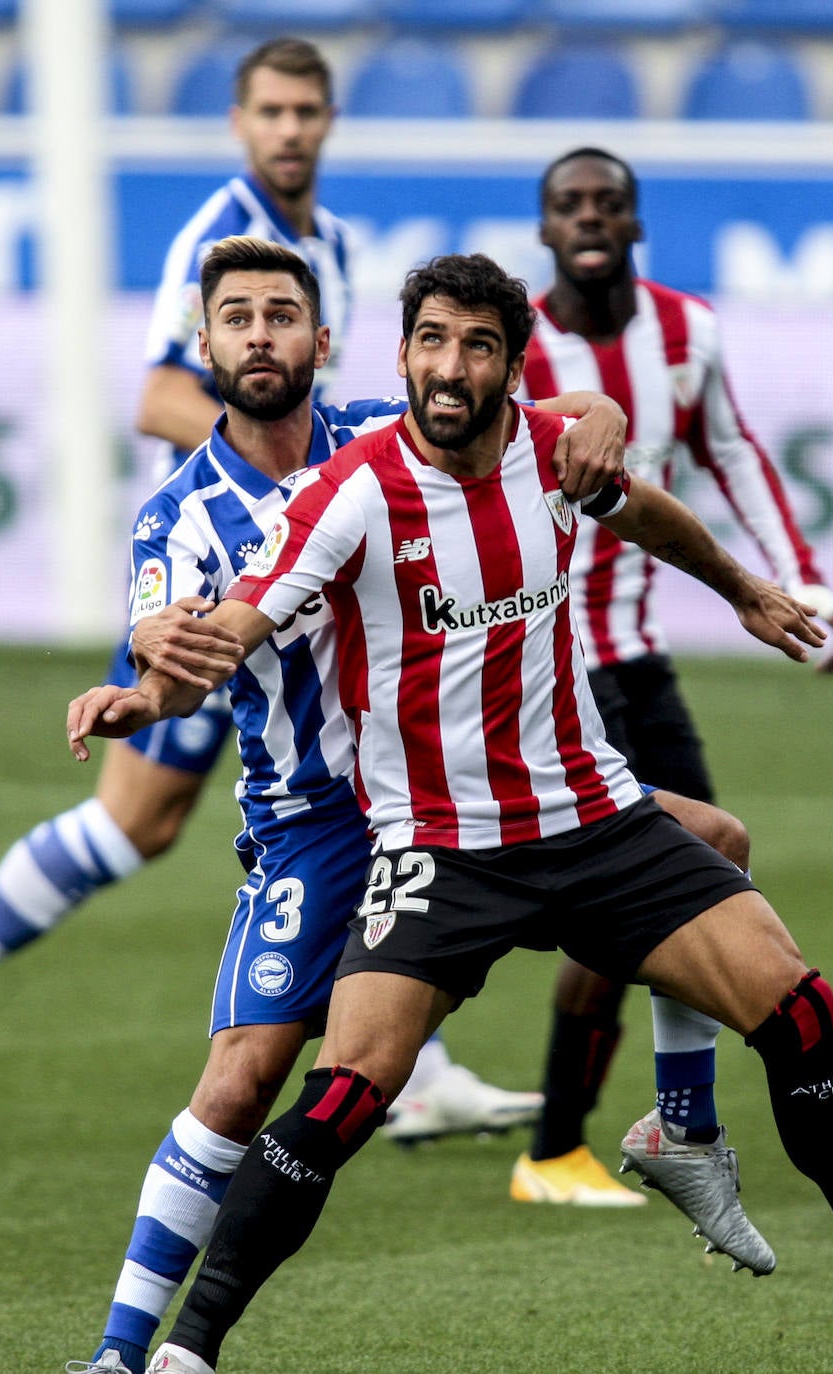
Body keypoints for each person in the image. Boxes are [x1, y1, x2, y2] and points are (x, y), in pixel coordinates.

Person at [68, 253, 833, 1374]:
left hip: (593, 823)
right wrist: (146, 691)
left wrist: (740, 589)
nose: (450, 366)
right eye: (432, 341)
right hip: (437, 849)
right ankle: (180, 1352)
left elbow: (646, 510)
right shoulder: (348, 493)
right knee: (337, 1095)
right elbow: (241, 623)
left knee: (799, 1006)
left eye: (477, 345)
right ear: (401, 355)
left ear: (509, 366)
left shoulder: (547, 448)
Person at [61, 235, 640, 1374]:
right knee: (240, 1082)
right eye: (237, 318)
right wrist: (141, 680)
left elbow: (543, 408)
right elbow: (164, 638)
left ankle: (680, 1124)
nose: (261, 334)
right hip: (321, 821)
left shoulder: (385, 426)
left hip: (460, 782)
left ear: (322, 343)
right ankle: (125, 1356)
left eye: (283, 315)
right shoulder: (179, 517)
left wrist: (605, 416)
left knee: (702, 844)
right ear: (208, 346)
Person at [0, 36, 533, 1144]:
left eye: (306, 111)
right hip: (228, 578)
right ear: (238, 122)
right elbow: (163, 400)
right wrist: (305, 504)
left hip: (301, 588)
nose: (288, 130)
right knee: (140, 817)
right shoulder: (211, 238)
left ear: (327, 121)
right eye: (269, 111)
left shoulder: (334, 247)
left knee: (344, 802)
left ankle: (411, 1068)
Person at [509, 145, 833, 1217]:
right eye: (570, 204)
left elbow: (735, 452)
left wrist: (797, 581)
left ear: (636, 222)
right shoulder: (515, 344)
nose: (590, 218)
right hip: (547, 668)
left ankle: (671, 1124)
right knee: (623, 900)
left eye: (608, 203)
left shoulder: (686, 331)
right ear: (545, 226)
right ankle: (555, 1141)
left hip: (636, 657)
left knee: (712, 864)